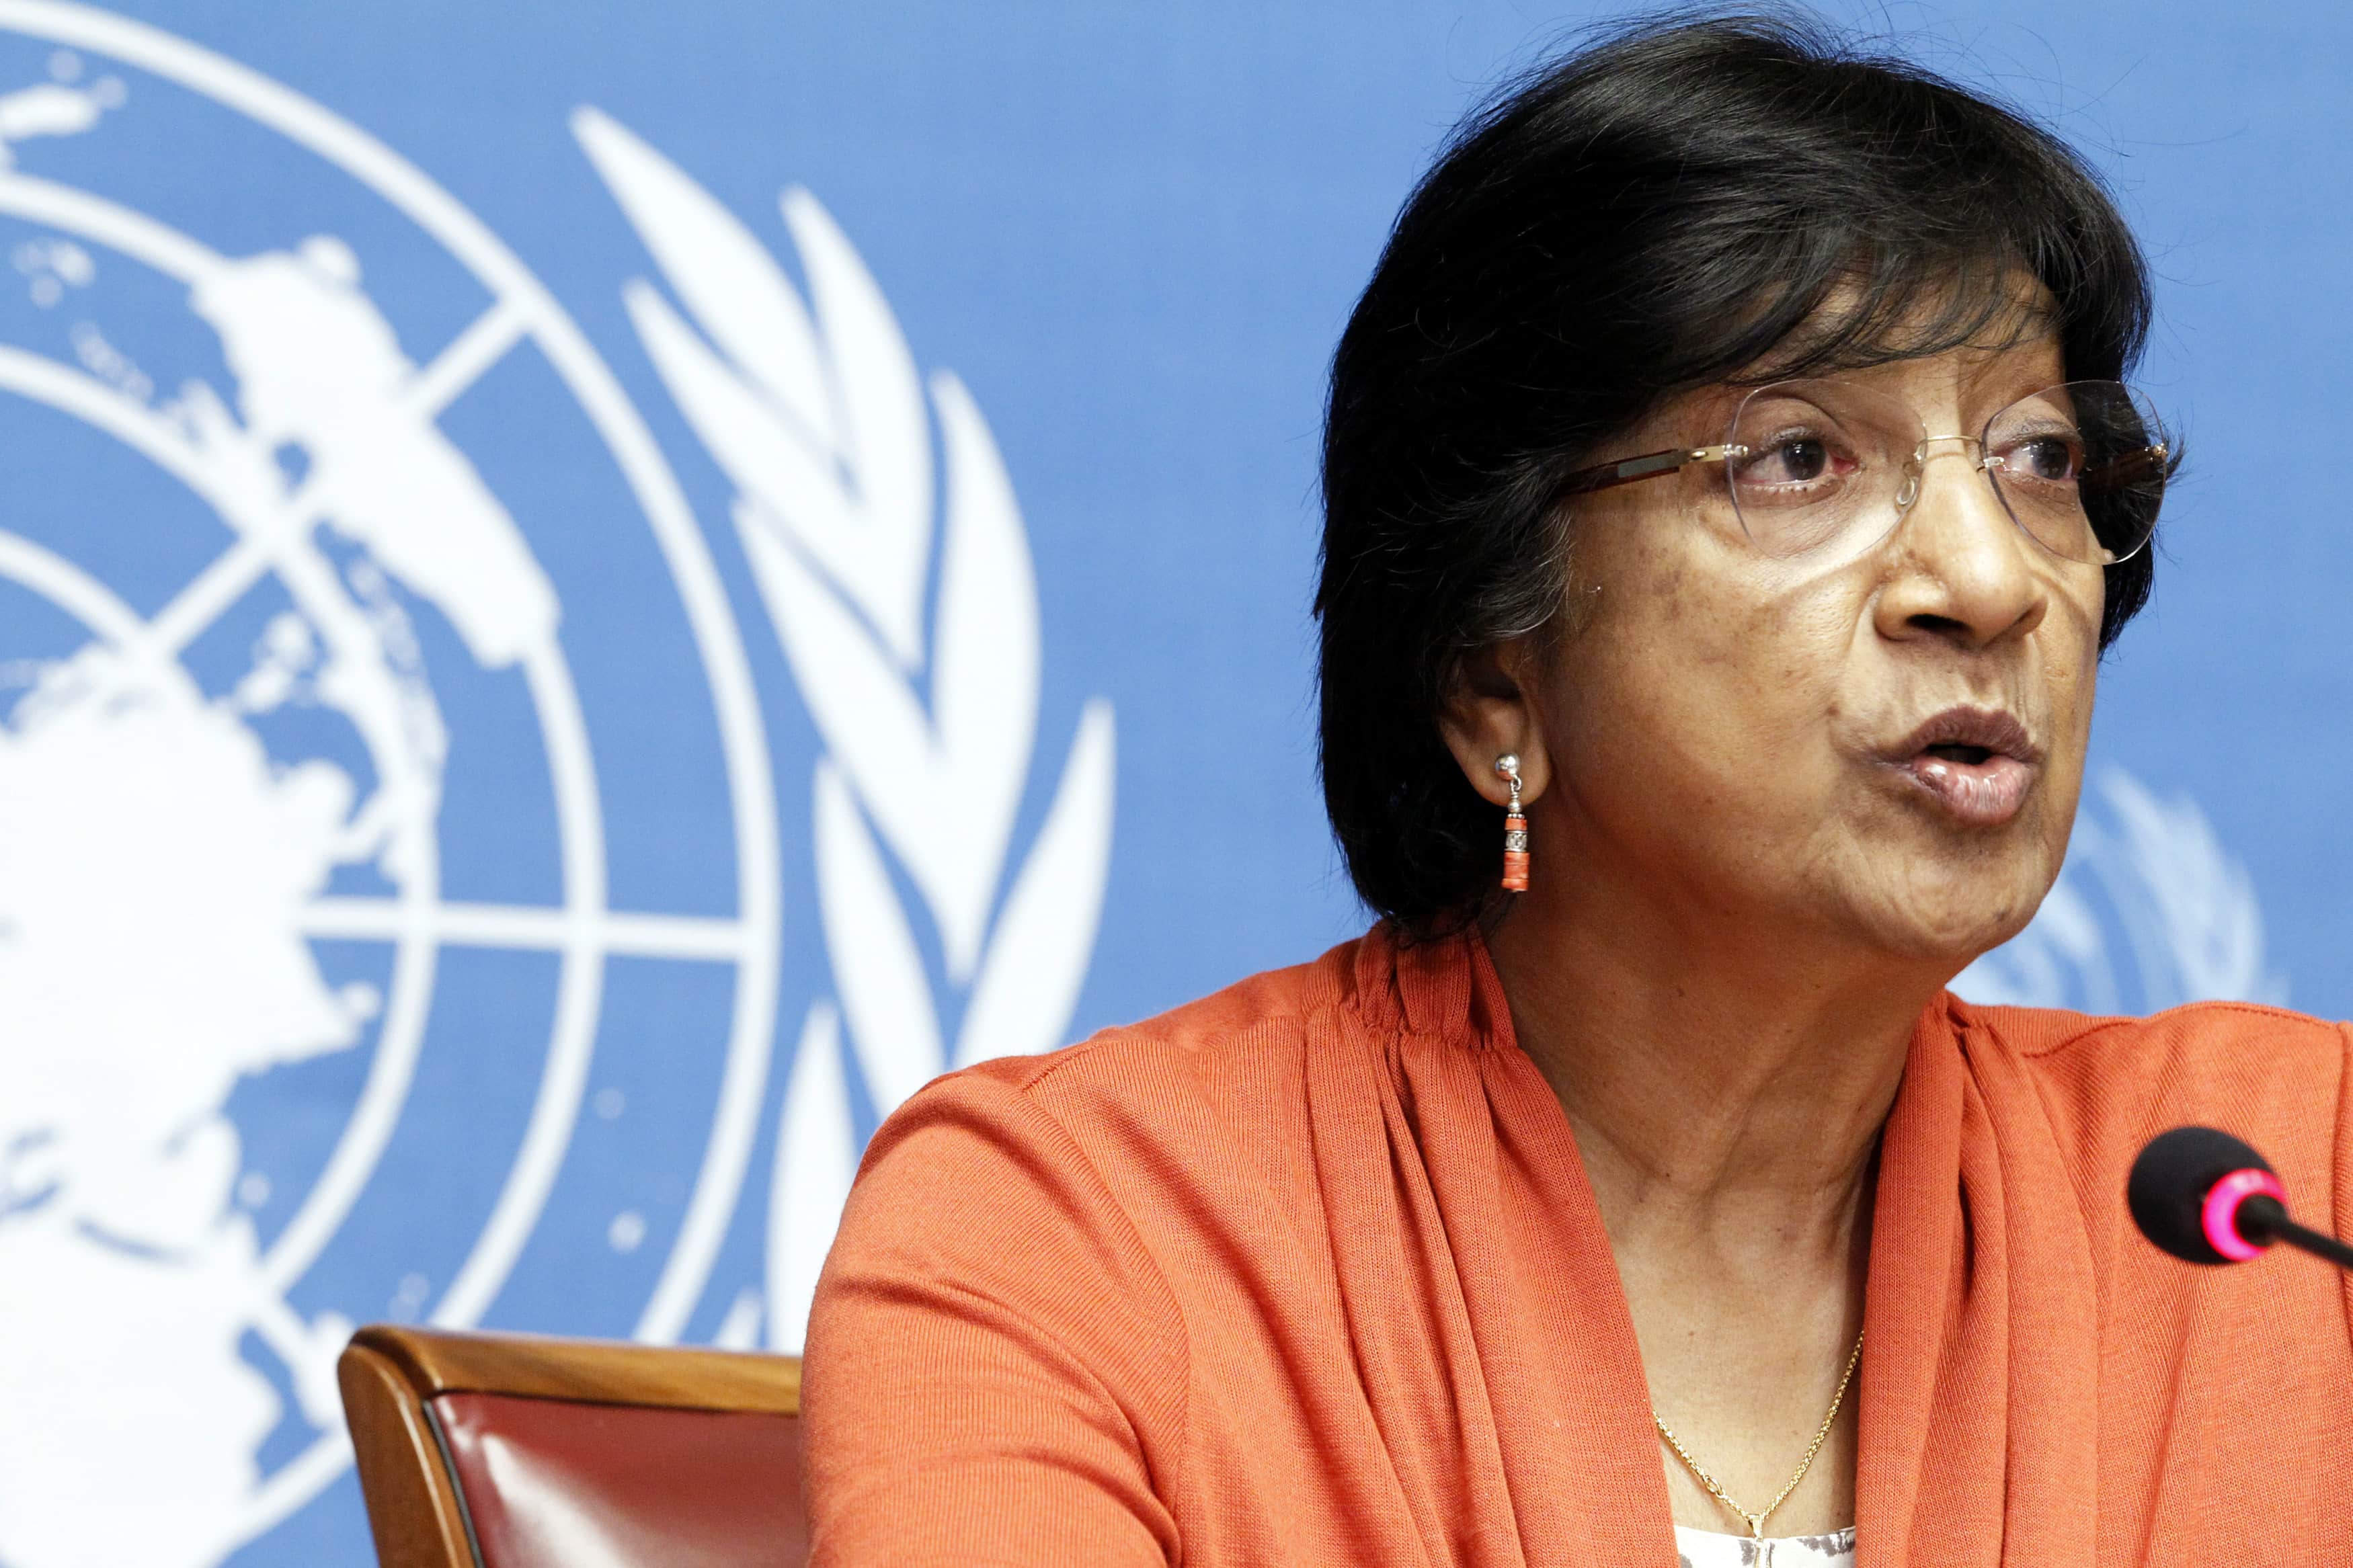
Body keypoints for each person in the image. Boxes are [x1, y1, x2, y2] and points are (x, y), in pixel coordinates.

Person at [801, 15, 2353, 1566]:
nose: (1986, 577)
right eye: (1798, 457)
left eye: (2035, 457)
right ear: (1495, 679)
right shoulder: (1084, 1241)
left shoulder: (2287, 1202)